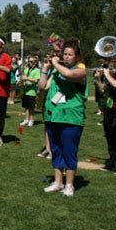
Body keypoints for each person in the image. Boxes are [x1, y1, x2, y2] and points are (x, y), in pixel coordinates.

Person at [38, 37, 87, 197]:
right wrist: (45, 69)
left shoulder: (81, 69)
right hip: (54, 116)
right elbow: (43, 86)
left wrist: (56, 63)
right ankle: (58, 182)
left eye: (69, 54)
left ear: (76, 56)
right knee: (56, 149)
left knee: (69, 151)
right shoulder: (57, 69)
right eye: (64, 54)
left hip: (71, 118)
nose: (66, 56)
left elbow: (70, 74)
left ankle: (69, 184)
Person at [19, 55, 40, 127]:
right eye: (29, 61)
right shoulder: (27, 69)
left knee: (31, 107)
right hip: (25, 90)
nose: (29, 63)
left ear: (35, 62)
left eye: (31, 61)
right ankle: (26, 119)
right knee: (26, 107)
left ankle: (31, 120)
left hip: (32, 92)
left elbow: (36, 80)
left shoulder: (37, 70)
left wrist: (27, 78)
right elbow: (23, 76)